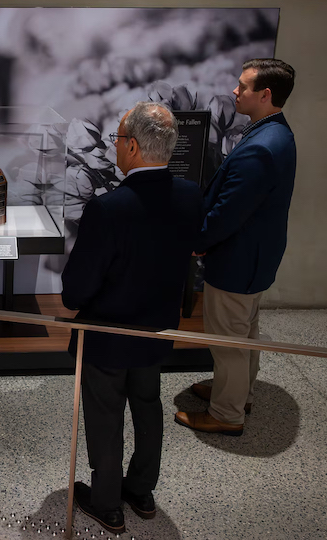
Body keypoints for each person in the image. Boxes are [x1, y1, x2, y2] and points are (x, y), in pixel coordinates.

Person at [61, 102, 202, 535]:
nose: (114, 145)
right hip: (157, 328)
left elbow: (76, 291)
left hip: (108, 334)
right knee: (146, 404)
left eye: (119, 139)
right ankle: (140, 491)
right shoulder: (190, 194)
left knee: (106, 414)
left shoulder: (109, 209)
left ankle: (107, 503)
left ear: (135, 147)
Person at [175, 58, 297, 436]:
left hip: (238, 257)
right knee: (244, 332)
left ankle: (227, 415)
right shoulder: (275, 132)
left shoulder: (261, 147)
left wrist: (198, 242)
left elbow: (230, 211)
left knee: (227, 339)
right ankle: (238, 393)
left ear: (265, 94)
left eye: (242, 86)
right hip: (256, 254)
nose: (234, 91)